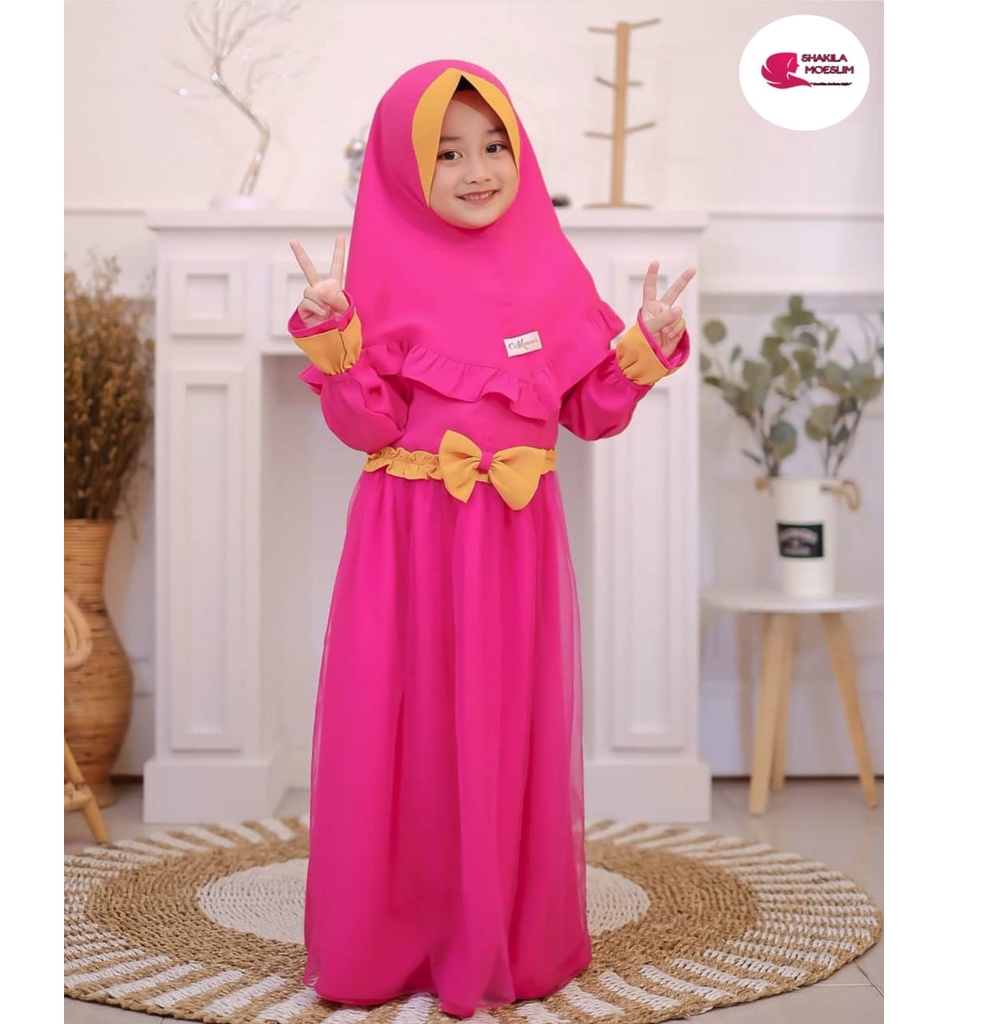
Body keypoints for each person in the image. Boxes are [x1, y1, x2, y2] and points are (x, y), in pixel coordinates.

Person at [286, 59, 695, 1019]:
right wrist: (336, 335)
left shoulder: (551, 271)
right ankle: (396, 934)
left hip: (513, 539)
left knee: (504, 726)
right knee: (407, 726)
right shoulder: (377, 280)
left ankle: (502, 929)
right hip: (409, 538)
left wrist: (643, 345)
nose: (478, 169)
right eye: (447, 152)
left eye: (494, 144)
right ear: (401, 169)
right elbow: (368, 425)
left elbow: (588, 411)